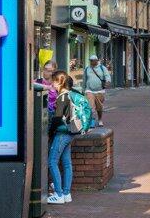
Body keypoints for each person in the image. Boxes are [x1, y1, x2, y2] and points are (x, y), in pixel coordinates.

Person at [47, 72, 79, 204]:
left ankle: (58, 194)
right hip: (71, 132)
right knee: (66, 163)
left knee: (52, 161)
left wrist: (50, 131)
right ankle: (66, 193)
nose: (52, 84)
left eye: (54, 81)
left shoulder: (62, 97)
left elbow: (57, 117)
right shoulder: (71, 95)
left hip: (61, 133)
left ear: (60, 82)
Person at [82, 54, 112, 126]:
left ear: (97, 61)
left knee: (99, 107)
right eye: (90, 61)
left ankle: (100, 119)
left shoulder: (102, 68)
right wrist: (83, 89)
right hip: (89, 90)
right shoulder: (87, 69)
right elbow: (84, 80)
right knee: (90, 107)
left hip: (100, 91)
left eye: (93, 61)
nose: (91, 62)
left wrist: (108, 81)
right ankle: (90, 121)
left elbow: (107, 76)